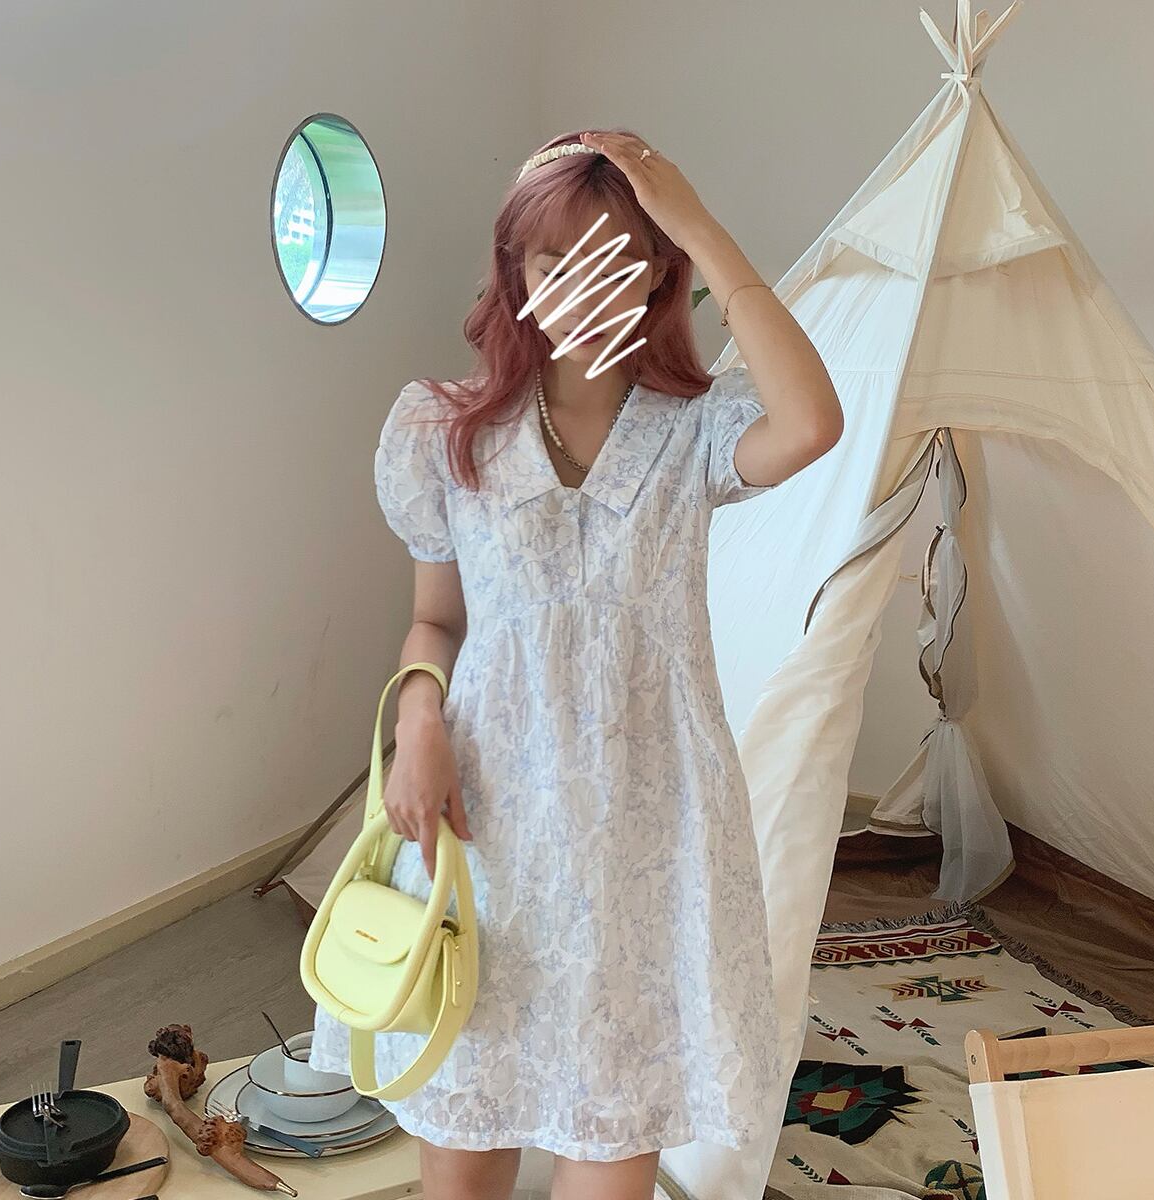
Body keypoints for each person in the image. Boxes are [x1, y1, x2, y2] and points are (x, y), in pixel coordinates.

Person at [308, 128, 844, 1200]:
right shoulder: (445, 431)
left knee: (607, 1161)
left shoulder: (697, 432)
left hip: (649, 846)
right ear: (515, 271)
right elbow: (434, 623)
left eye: (619, 258)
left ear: (657, 275)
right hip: (487, 827)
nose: (581, 287)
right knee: (464, 1159)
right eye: (554, 260)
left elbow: (813, 422)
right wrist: (418, 724)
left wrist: (696, 222)